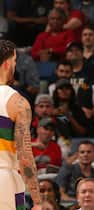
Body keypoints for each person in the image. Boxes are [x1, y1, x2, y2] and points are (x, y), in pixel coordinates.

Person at [0, 40, 41, 209]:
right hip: (4, 180)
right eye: (15, 61)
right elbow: (25, 156)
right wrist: (37, 201)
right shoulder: (17, 102)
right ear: (8, 63)